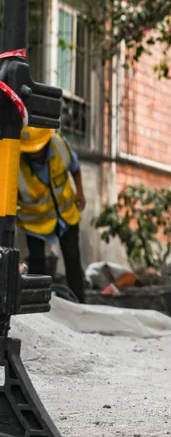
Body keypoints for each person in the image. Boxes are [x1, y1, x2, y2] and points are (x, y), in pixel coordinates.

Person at [17, 126, 86, 304]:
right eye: (31, 151)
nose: (35, 154)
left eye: (38, 149)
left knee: (73, 260)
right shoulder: (14, 160)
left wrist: (80, 192)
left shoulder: (59, 143)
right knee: (36, 265)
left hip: (65, 215)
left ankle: (79, 303)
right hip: (35, 223)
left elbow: (75, 167)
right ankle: (35, 305)